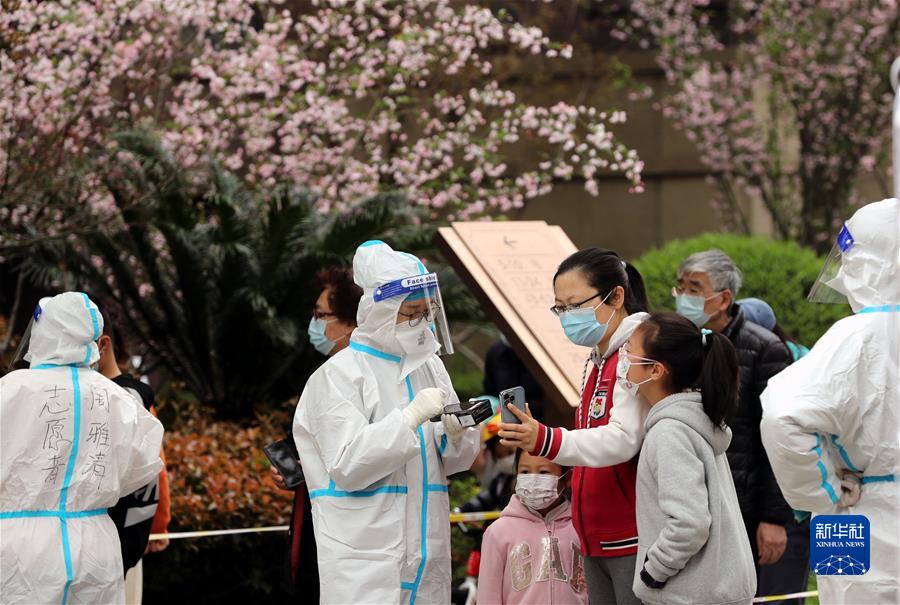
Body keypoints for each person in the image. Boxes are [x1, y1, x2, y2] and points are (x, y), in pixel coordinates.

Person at [292, 240, 481, 604]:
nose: (421, 321)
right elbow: (348, 466)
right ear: (379, 310)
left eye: (427, 311)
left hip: (427, 556)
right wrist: (408, 419)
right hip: (365, 563)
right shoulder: (339, 375)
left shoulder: (429, 366)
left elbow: (452, 463)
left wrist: (456, 435)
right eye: (410, 312)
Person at [760, 198, 900, 604]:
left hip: (854, 512)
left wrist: (820, 493)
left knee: (850, 595)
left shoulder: (855, 336)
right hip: (866, 505)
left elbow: (782, 415)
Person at [499, 247, 650, 605]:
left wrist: (546, 440)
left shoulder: (637, 352)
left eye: (575, 305)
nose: (567, 317)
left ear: (616, 297)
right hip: (596, 535)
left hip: (631, 534)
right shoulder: (600, 357)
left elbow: (623, 439)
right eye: (560, 308)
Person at [0, 292, 163, 604]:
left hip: (19, 547)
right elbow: (142, 467)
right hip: (95, 545)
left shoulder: (9, 391)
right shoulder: (119, 398)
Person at [620, 311, 756, 605]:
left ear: (655, 370)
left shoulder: (670, 432)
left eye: (630, 351)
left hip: (690, 594)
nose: (624, 358)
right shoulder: (694, 420)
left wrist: (653, 571)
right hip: (712, 590)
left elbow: (690, 523)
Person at [673, 249, 793, 578]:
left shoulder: (765, 349)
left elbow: (779, 438)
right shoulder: (676, 344)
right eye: (680, 287)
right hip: (688, 499)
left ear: (724, 298)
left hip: (743, 505)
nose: (683, 297)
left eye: (694, 289)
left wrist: (773, 517)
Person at [270, 266, 361, 601]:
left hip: (343, 528)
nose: (315, 323)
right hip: (314, 515)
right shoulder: (324, 373)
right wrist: (294, 465)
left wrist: (309, 468)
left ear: (350, 323)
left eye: (321, 315)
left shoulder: (358, 377)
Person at [96, 305, 171, 605]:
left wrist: (158, 525)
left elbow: (154, 467)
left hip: (117, 539)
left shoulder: (129, 397)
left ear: (103, 344)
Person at [738, 297, 811, 605]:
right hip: (759, 508)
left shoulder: (792, 369)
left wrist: (775, 518)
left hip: (786, 512)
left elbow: (784, 448)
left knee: (777, 597)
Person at [476, 450, 588, 605]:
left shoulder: (581, 528)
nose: (533, 479)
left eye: (543, 472)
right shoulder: (498, 532)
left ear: (568, 478)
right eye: (525, 472)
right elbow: (487, 596)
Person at [459, 414, 516, 514]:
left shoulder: (532, 476)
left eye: (510, 452)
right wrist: (459, 511)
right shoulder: (500, 481)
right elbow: (484, 500)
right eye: (499, 455)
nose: (505, 459)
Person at [483, 335, 546, 422]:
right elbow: (490, 390)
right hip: (503, 420)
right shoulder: (495, 353)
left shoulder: (542, 353)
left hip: (539, 421)